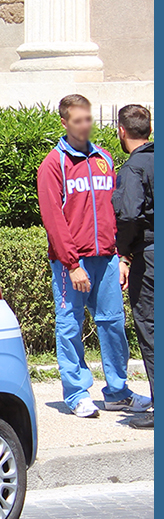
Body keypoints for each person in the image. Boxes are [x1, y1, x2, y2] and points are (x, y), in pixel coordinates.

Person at [36, 94, 152, 418]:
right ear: (64, 122)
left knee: (113, 323)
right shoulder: (53, 164)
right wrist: (72, 264)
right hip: (70, 262)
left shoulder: (104, 159)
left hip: (107, 256)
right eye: (77, 120)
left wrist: (122, 256)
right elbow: (53, 219)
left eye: (88, 118)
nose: (84, 125)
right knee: (70, 326)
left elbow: (116, 210)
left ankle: (117, 391)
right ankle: (76, 393)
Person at [113, 104, 154, 428]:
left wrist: (123, 254)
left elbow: (128, 215)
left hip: (149, 256)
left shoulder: (133, 169)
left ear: (122, 131)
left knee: (151, 330)